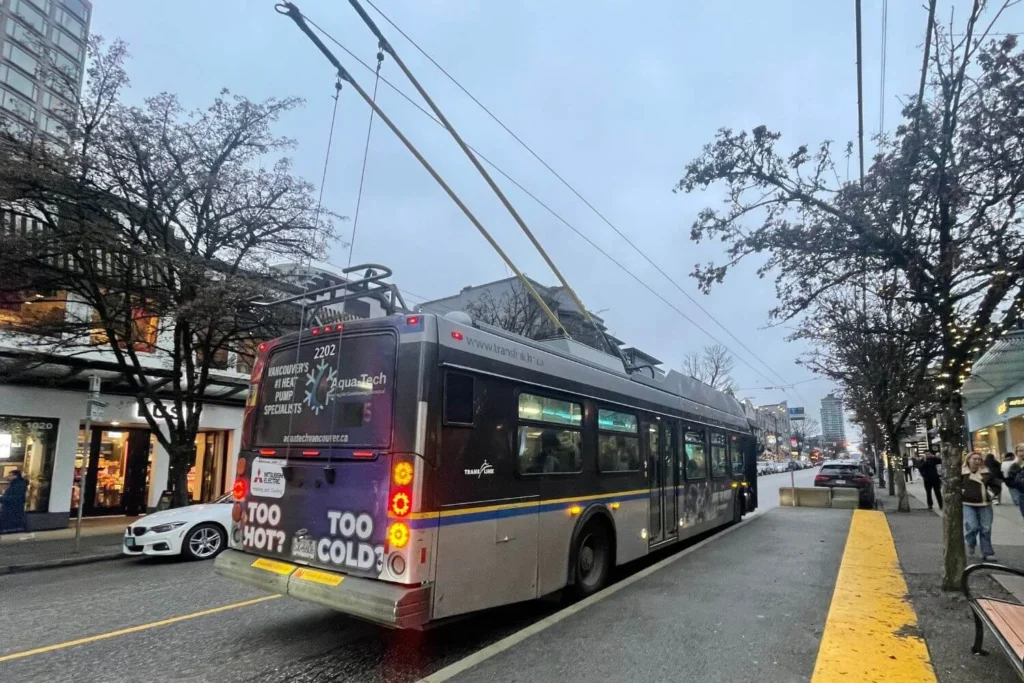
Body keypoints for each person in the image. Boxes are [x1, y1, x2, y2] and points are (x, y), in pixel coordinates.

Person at [962, 450, 999, 562]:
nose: (977, 461)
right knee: (971, 526)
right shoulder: (962, 473)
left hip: (985, 503)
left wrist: (990, 494)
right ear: (968, 460)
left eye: (979, 459)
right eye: (975, 459)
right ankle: (971, 543)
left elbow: (996, 485)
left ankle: (987, 552)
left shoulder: (987, 472)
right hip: (968, 503)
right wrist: (962, 492)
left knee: (986, 528)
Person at [0, 469, 29, 534]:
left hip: (13, 509)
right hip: (13, 509)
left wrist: (2, 498)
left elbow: (15, 498)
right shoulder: (16, 484)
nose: (8, 477)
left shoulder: (18, 485)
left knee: (11, 525)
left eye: (10, 475)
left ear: (15, 476)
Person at [1005, 444, 1024, 519]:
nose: (1022, 453)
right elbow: (1009, 481)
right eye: (1020, 451)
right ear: (1016, 453)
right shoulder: (1015, 466)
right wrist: (1019, 484)